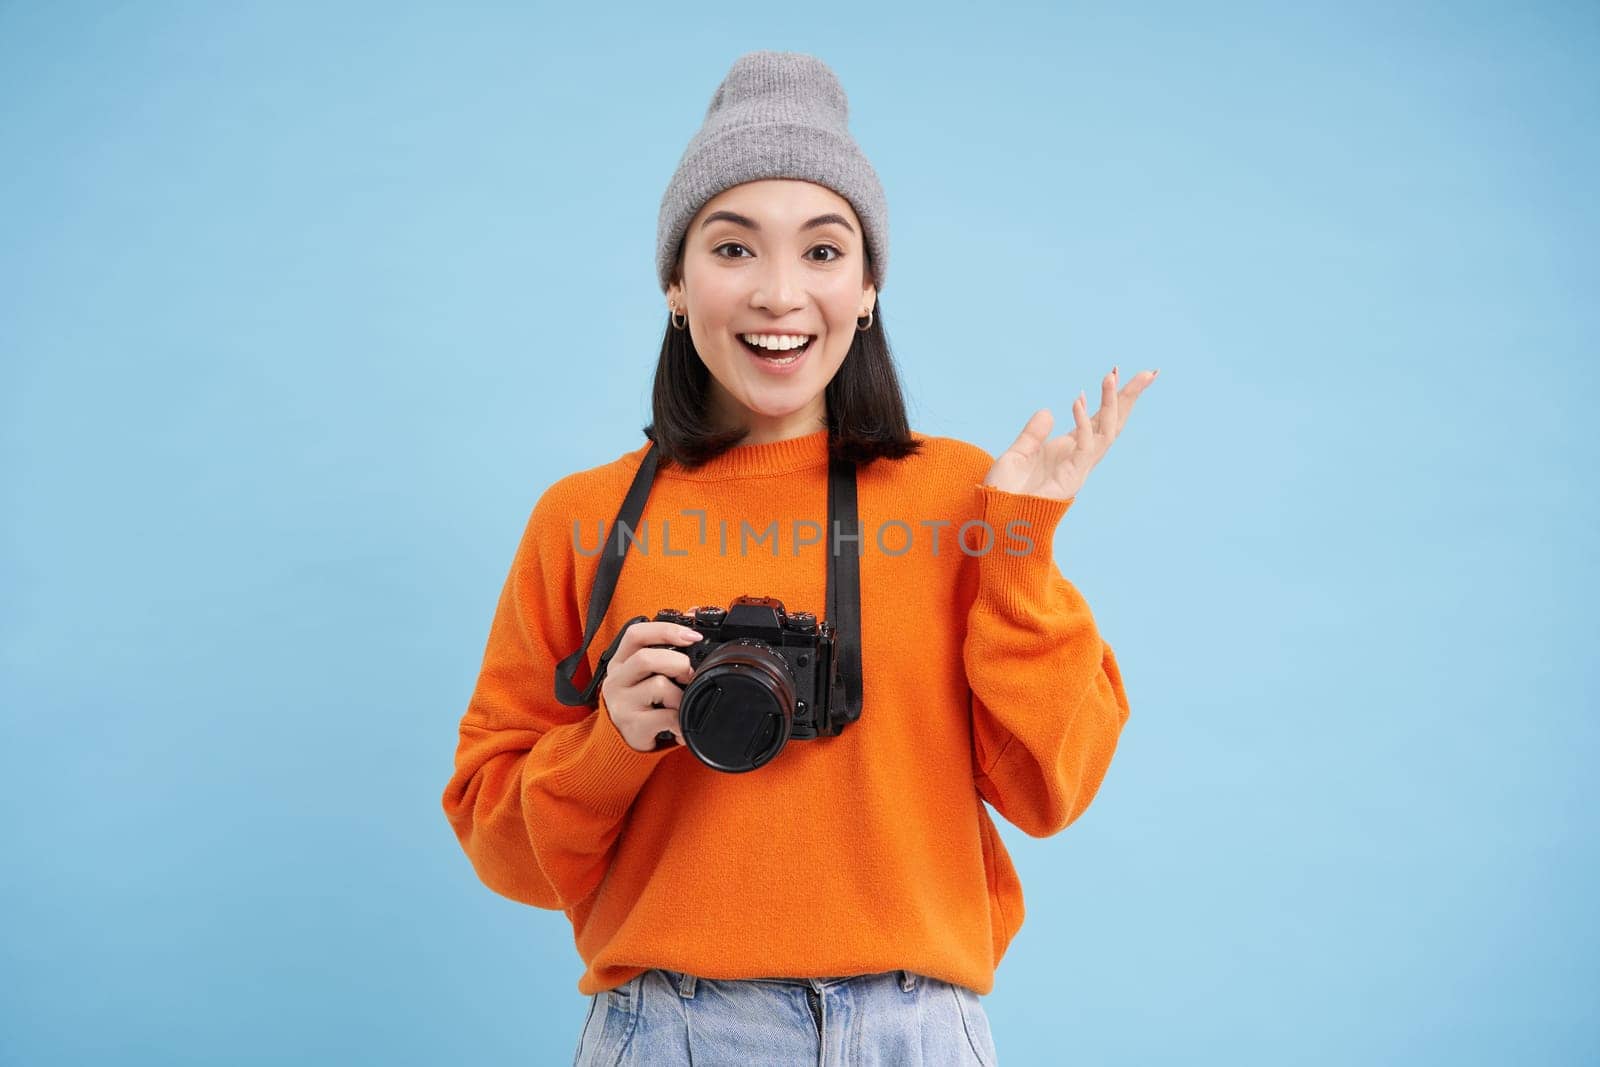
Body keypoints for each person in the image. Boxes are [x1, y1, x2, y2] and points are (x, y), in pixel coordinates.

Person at [441, 49, 1157, 1066]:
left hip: (915, 1027)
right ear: (676, 285)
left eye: (823, 253)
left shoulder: (962, 497)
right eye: (733, 249)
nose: (780, 294)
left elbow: (1054, 786)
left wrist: (1018, 550)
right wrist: (609, 739)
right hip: (667, 1027)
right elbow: (501, 850)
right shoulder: (584, 519)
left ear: (868, 289)